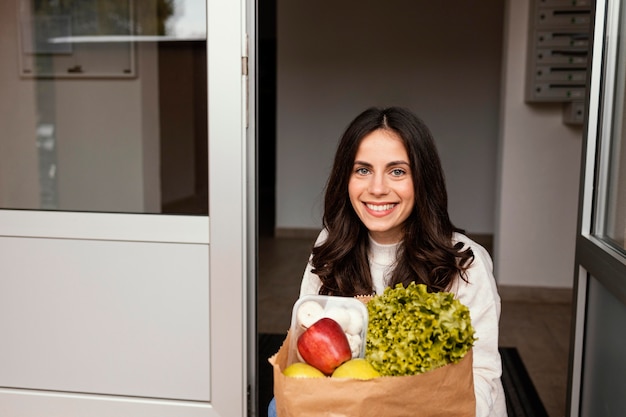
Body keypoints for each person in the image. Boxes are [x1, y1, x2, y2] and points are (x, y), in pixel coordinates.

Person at [270, 106, 507, 417]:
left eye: (397, 171)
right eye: (363, 170)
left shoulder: (464, 261)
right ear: (346, 178)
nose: (378, 189)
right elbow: (307, 346)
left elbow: (482, 375)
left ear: (422, 180)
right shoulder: (331, 246)